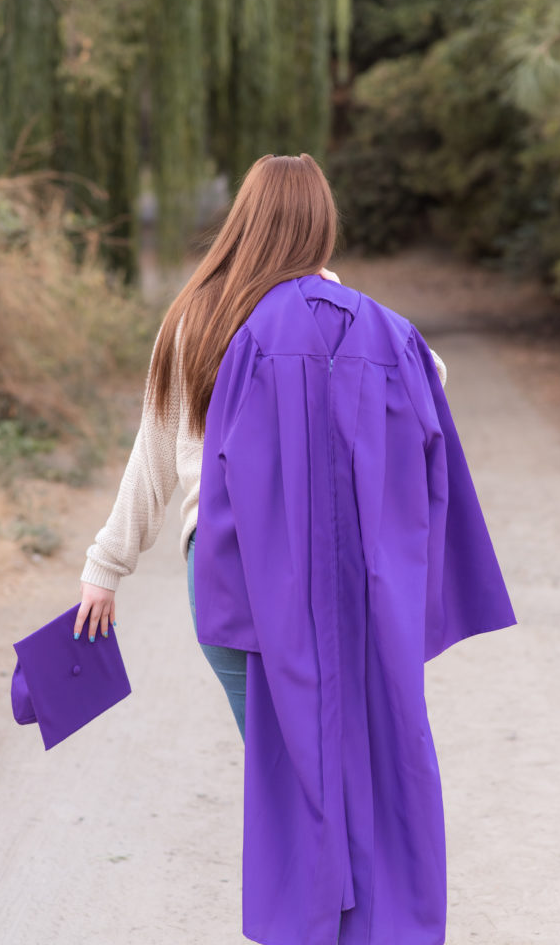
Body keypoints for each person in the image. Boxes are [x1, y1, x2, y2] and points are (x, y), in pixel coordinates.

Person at [73, 152, 448, 735]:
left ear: (244, 222)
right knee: (331, 764)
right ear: (320, 229)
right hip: (326, 563)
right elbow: (430, 382)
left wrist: (107, 566)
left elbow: (153, 456)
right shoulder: (340, 320)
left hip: (228, 569)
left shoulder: (193, 316)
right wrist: (341, 302)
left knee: (279, 769)